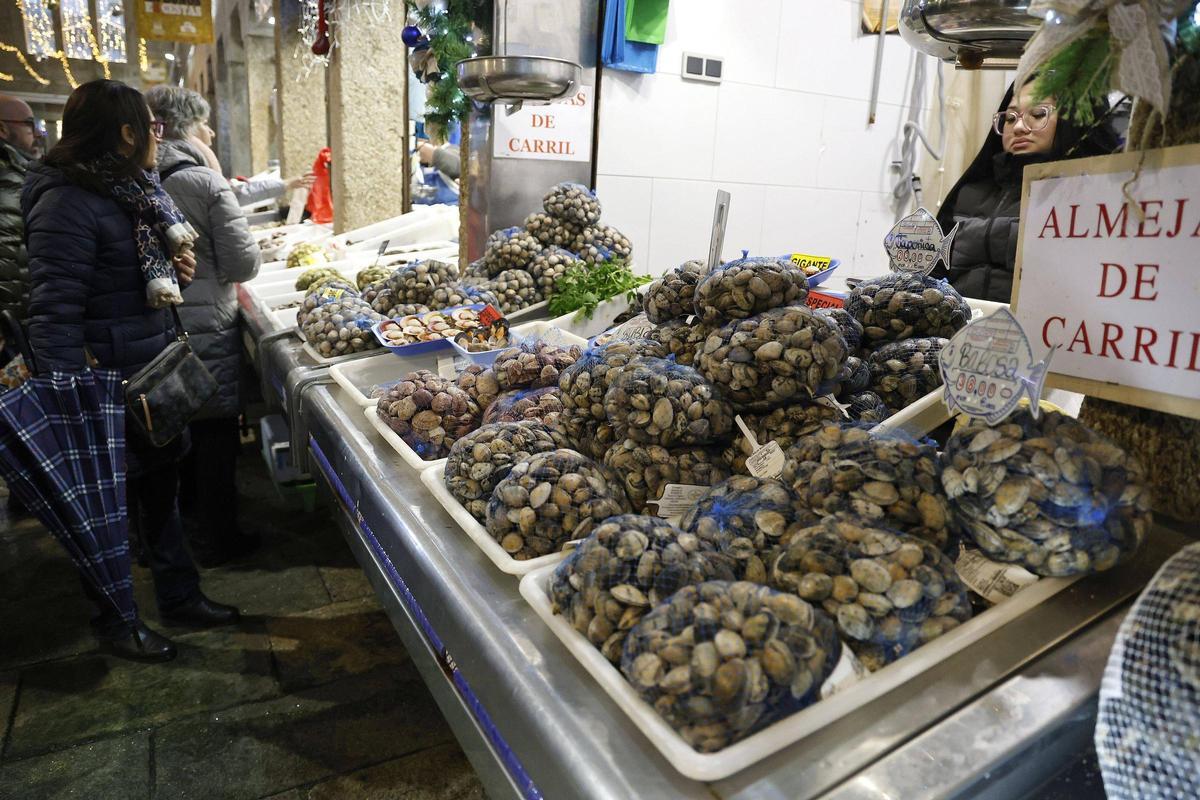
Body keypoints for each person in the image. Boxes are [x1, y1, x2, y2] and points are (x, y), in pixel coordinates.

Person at [22, 79, 239, 663]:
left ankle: (180, 596)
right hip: (103, 385)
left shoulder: (133, 189)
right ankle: (117, 622)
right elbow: (53, 311)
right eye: (152, 126)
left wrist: (171, 271)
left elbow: (124, 275)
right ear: (125, 133)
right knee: (107, 513)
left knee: (163, 494)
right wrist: (71, 401)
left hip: (149, 369)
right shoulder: (67, 201)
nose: (158, 137)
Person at [144, 85, 262, 566]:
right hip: (206, 328)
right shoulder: (203, 180)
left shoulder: (138, 175)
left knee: (176, 435)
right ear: (185, 127)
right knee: (215, 435)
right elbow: (243, 263)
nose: (211, 132)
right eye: (203, 123)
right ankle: (220, 539)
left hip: (157, 331)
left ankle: (185, 530)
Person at [933, 81, 1121, 302]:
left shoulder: (1090, 196)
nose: (1019, 127)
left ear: (1071, 122)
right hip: (960, 318)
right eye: (1010, 118)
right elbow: (934, 271)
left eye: (1038, 114)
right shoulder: (969, 192)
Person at [184, 113, 314, 207]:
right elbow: (231, 196)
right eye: (204, 124)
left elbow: (232, 193)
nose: (212, 133)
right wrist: (286, 184)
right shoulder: (191, 171)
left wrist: (287, 184)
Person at [0, 95, 42, 320]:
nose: (37, 133)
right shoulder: (9, 177)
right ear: (2, 129)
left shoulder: (19, 172)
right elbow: (5, 257)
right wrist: (8, 325)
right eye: (29, 124)